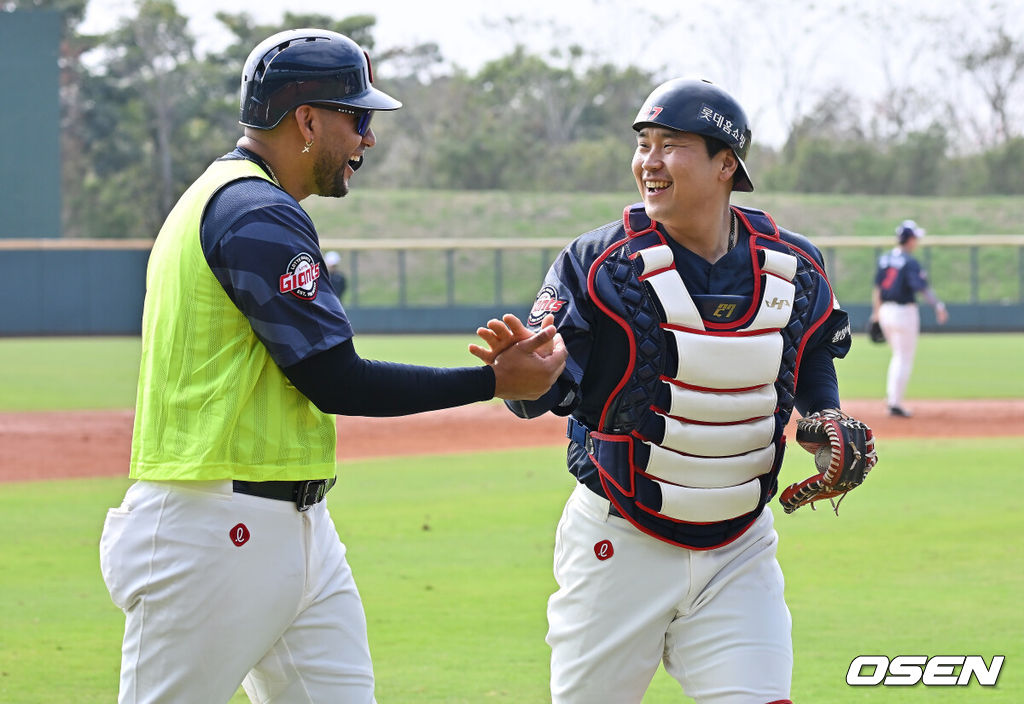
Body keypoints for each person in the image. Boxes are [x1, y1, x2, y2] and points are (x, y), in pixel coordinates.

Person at [98, 28, 565, 704]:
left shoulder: (237, 199)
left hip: (295, 528)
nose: (368, 137)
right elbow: (333, 377)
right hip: (211, 528)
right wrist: (492, 382)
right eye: (358, 116)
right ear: (308, 121)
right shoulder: (254, 212)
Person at [502, 78, 872, 703]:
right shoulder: (598, 262)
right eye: (644, 144)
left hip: (740, 548)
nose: (649, 161)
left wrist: (825, 419)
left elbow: (809, 360)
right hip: (619, 542)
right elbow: (539, 387)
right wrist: (526, 380)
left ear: (727, 163)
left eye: (670, 145)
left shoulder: (795, 268)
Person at [869, 219, 949, 417]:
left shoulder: (885, 258)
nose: (917, 242)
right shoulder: (909, 262)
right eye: (915, 238)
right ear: (909, 240)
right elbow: (921, 287)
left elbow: (878, 288)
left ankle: (892, 397)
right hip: (903, 312)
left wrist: (876, 314)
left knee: (898, 356)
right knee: (903, 358)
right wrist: (938, 305)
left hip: (885, 311)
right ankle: (894, 403)